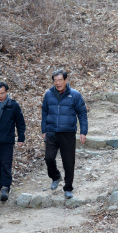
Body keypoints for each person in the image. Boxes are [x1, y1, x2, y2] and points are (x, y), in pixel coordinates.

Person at [41, 69, 88, 199]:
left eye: (60, 80)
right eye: (55, 80)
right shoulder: (48, 95)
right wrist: (43, 130)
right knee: (49, 158)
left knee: (68, 162)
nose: (58, 83)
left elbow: (82, 114)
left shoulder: (75, 95)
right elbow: (44, 113)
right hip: (51, 132)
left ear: (66, 80)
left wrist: (83, 132)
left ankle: (68, 188)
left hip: (67, 133)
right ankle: (55, 176)